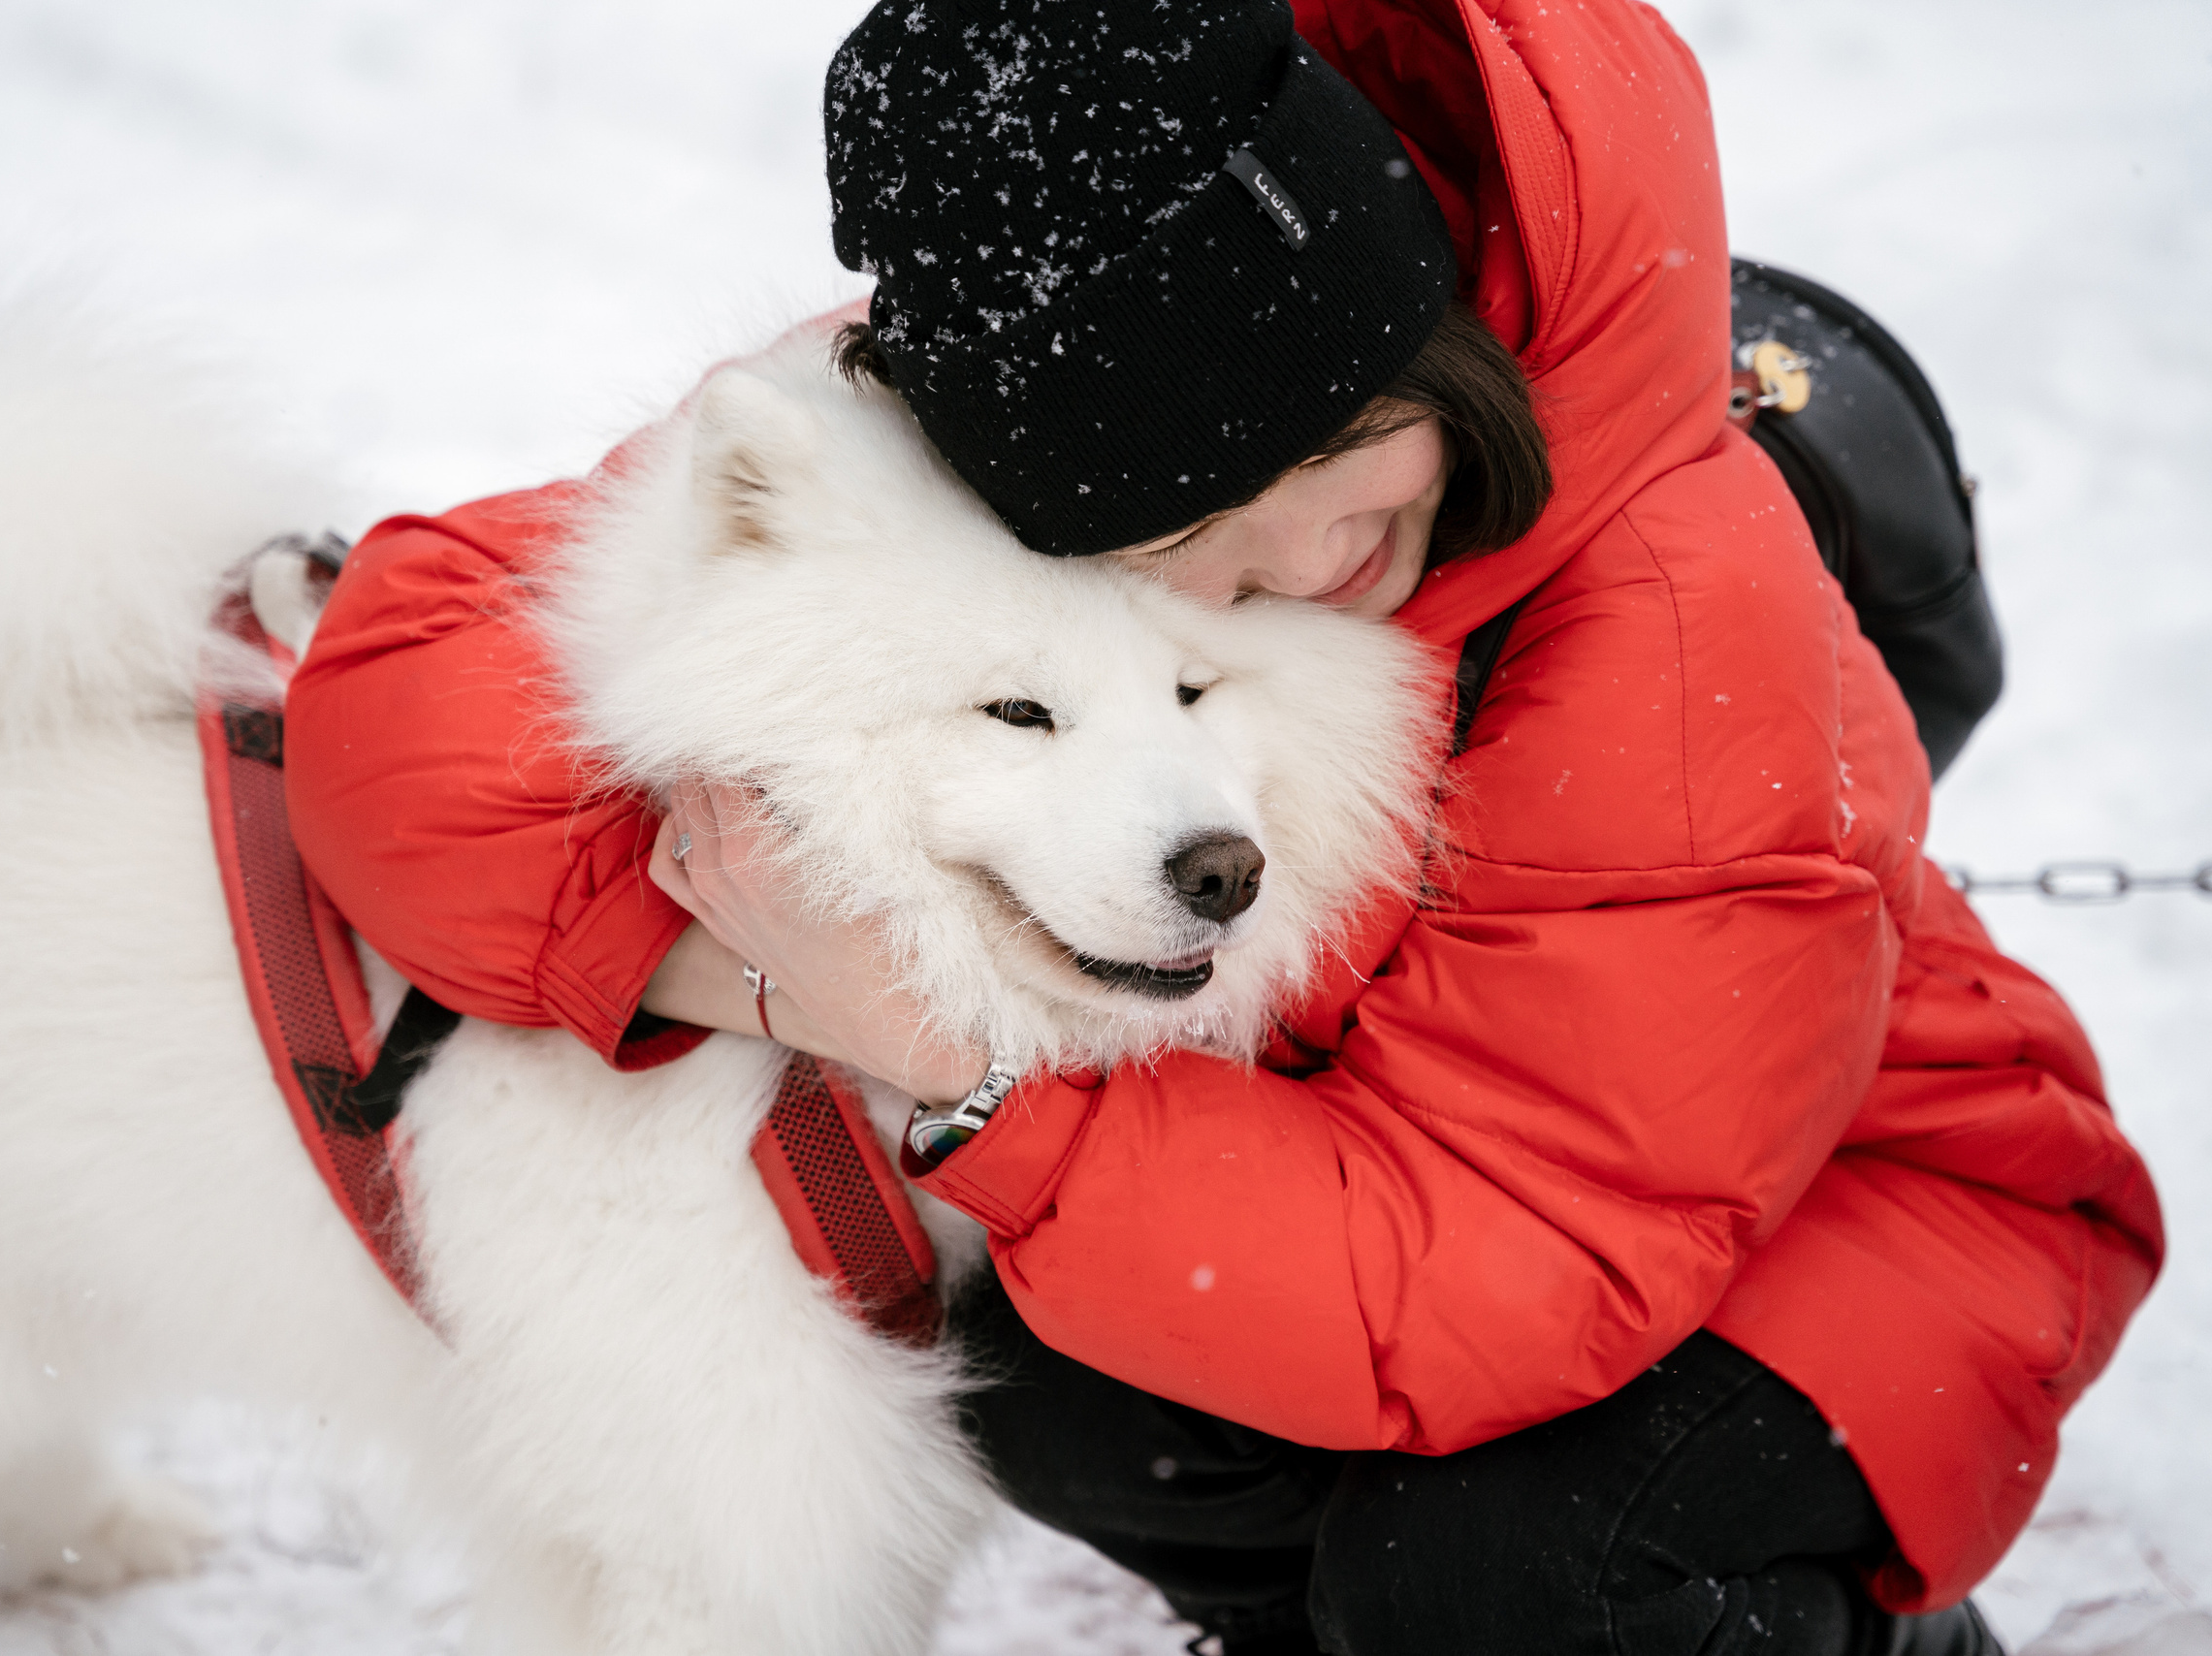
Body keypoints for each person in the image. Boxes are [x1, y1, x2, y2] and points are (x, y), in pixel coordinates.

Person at [283, 2, 2163, 1652]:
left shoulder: (1672, 633)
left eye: (1336, 441)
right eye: (1173, 541)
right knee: (1059, 1371)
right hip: (1430, 1182)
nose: (1295, 558)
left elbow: (1499, 1269)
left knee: (1501, 1569)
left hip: (1866, 1216)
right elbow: (416, 714)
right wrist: (731, 949)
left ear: (1417, 334)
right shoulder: (1030, 344)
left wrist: (919, 1036)